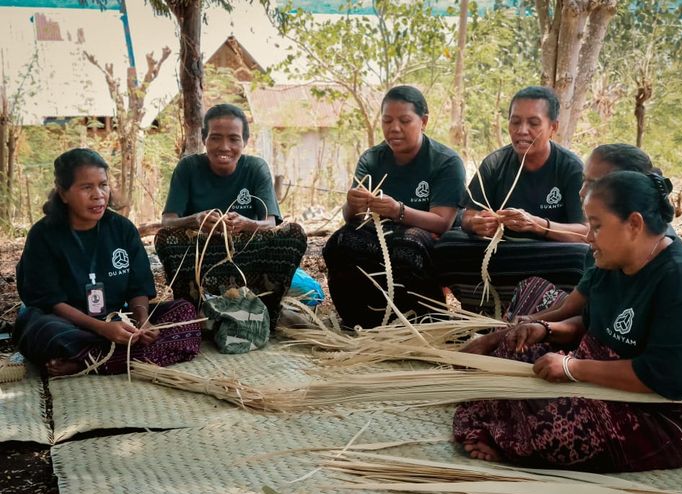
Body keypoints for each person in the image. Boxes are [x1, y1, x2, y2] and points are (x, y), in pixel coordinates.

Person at [454, 171, 682, 472]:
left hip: (680, 414)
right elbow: (591, 322)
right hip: (617, 369)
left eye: (596, 226)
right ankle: (512, 430)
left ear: (634, 224)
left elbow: (665, 379)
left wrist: (572, 368)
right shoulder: (613, 261)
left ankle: (513, 441)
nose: (589, 236)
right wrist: (545, 330)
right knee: (512, 353)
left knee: (561, 430)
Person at [14, 148, 201, 376]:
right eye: (86, 187)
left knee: (184, 313)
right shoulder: (43, 235)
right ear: (63, 193)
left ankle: (86, 362)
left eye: (103, 185)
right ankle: (120, 357)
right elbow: (50, 301)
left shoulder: (122, 229)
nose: (98, 195)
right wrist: (102, 329)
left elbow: (137, 285)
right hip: (69, 324)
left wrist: (142, 321)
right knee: (42, 331)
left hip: (118, 319)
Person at [435, 86, 588, 313]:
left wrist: (537, 225)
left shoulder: (570, 168)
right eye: (515, 122)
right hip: (503, 251)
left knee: (580, 257)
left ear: (553, 127)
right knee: (448, 244)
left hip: (547, 252)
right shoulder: (495, 163)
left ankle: (548, 313)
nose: (522, 130)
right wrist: (477, 223)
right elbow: (466, 215)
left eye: (533, 123)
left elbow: (584, 232)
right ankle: (479, 314)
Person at [323, 85, 465, 329]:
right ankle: (360, 320)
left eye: (404, 120)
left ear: (424, 121)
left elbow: (443, 222)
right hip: (378, 233)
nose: (394, 128)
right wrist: (352, 204)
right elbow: (351, 217)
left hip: (427, 237)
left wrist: (398, 211)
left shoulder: (446, 161)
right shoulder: (371, 158)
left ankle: (427, 321)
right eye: (387, 120)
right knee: (339, 243)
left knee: (407, 246)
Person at [154, 104, 307, 327]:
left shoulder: (256, 168)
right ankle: (195, 312)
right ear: (204, 138)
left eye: (233, 139)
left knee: (293, 233)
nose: (224, 147)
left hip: (246, 259)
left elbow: (271, 222)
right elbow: (167, 221)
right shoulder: (188, 168)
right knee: (166, 238)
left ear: (244, 141)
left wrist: (247, 224)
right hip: (202, 259)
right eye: (215, 138)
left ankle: (266, 309)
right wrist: (196, 220)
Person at [506, 143, 676, 324]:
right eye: (584, 180)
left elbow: (594, 321)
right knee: (531, 289)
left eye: (595, 184)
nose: (582, 192)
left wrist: (542, 327)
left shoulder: (659, 261)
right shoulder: (607, 243)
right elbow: (576, 304)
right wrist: (529, 322)